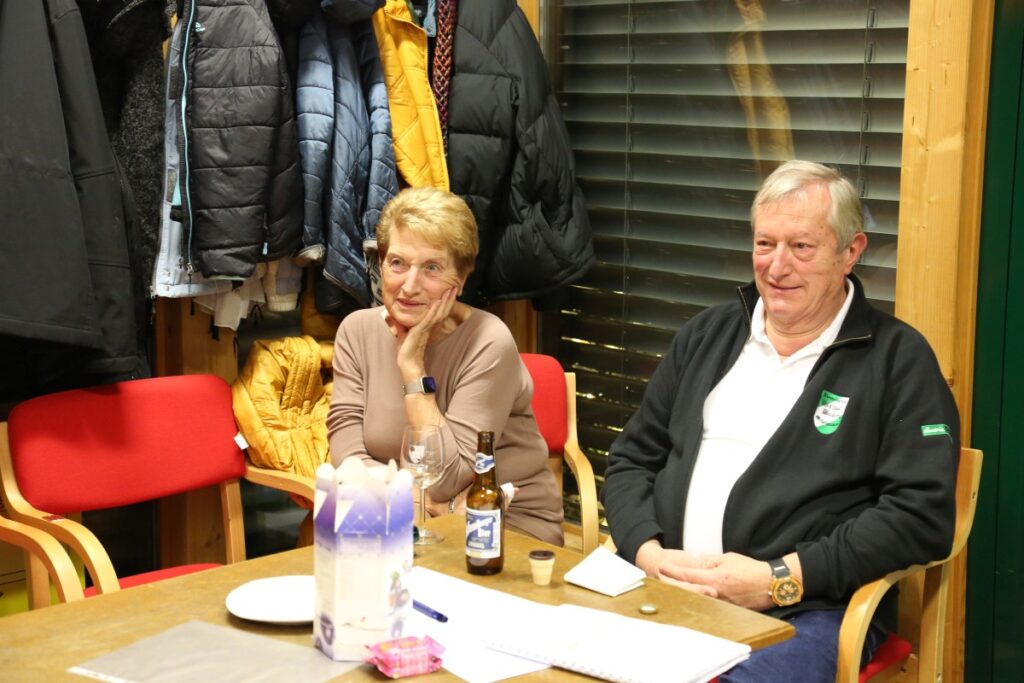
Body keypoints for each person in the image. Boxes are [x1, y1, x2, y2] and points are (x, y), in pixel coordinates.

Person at [602, 160, 960, 682]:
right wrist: (646, 551)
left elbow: (920, 517)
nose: (777, 267)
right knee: (542, 651)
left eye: (801, 247)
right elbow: (632, 459)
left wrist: (778, 580)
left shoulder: (897, 359)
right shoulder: (706, 335)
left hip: (808, 608)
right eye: (765, 244)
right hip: (662, 585)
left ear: (851, 252)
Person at [326, 186, 564, 545]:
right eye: (397, 263)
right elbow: (348, 456)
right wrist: (420, 503)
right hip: (400, 520)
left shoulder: (489, 341)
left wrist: (412, 368)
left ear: (462, 280)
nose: (409, 286)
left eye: (432, 268)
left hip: (502, 525)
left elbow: (446, 478)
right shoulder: (356, 331)